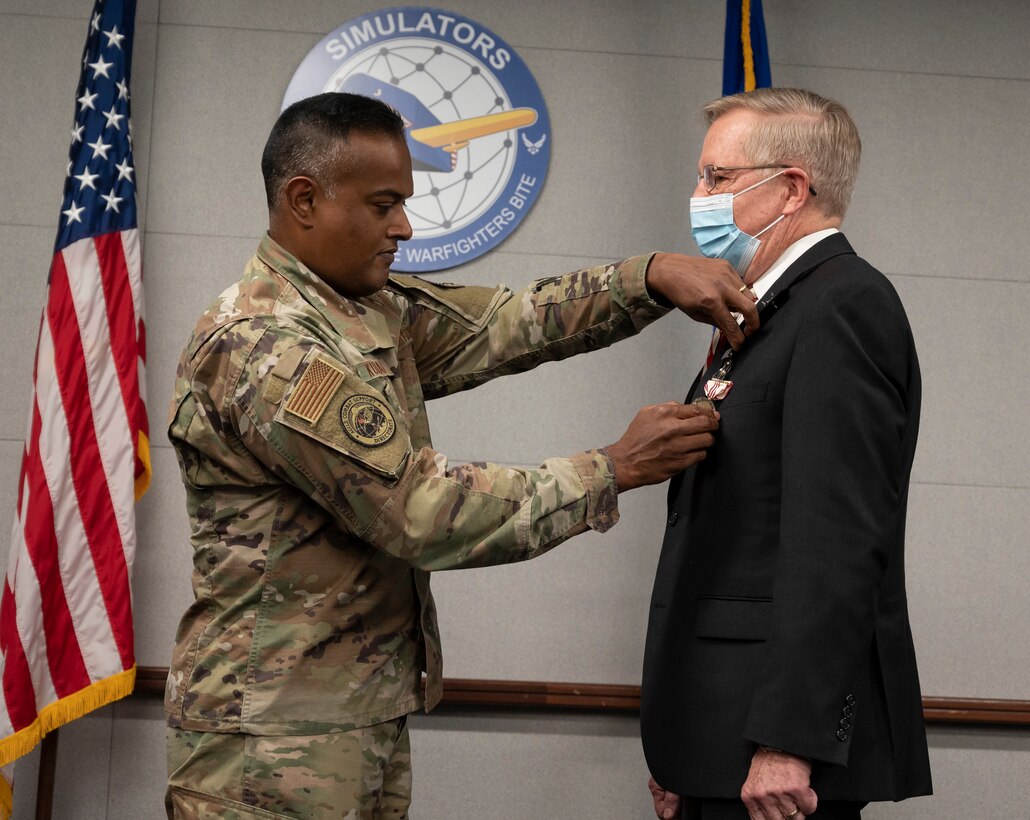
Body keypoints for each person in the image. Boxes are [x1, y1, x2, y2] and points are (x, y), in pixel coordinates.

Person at [164, 91, 759, 819]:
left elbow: (505, 324)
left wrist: (648, 277)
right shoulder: (267, 344)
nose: (403, 227)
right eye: (383, 204)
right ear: (304, 199)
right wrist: (613, 468)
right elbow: (420, 512)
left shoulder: (363, 308)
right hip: (270, 740)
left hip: (350, 718)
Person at [641, 88, 932, 820]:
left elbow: (834, 542)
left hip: (772, 759)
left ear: (791, 189)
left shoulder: (841, 306)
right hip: (717, 738)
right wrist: (684, 742)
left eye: (717, 178)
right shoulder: (774, 311)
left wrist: (787, 740)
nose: (696, 196)